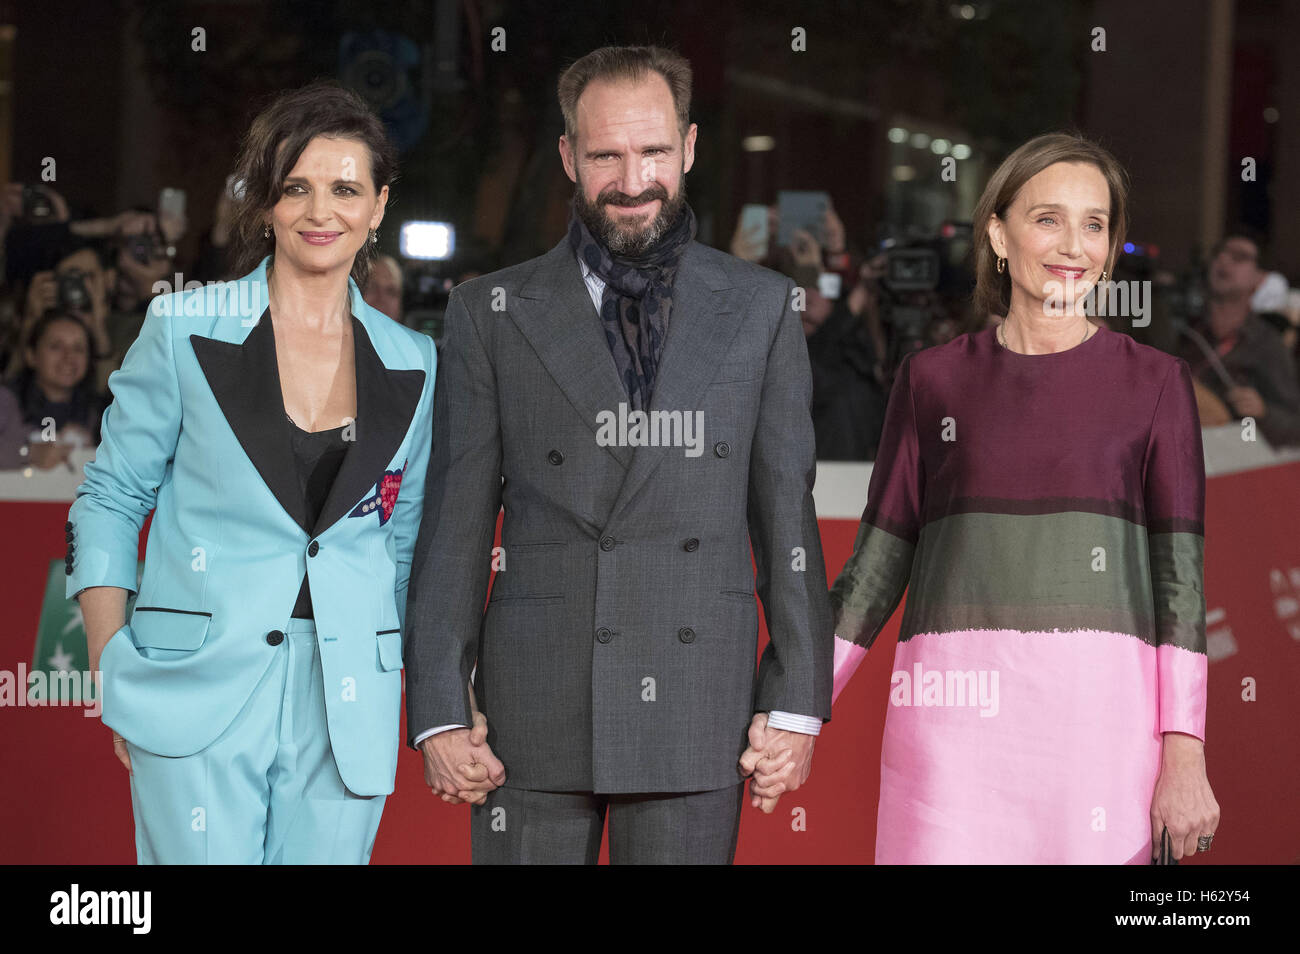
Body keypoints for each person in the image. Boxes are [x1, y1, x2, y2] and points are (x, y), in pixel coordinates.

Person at [402, 44, 832, 864]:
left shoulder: (764, 309)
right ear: (569, 156)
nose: (633, 180)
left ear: (691, 148)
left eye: (654, 152)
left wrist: (798, 702)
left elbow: (788, 519)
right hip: (529, 714)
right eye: (606, 155)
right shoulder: (488, 312)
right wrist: (439, 707)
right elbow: (456, 523)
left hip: (695, 705)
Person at [767, 132, 1219, 863]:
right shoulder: (933, 381)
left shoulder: (1157, 384)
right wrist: (797, 708)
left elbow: (1180, 584)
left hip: (1100, 742)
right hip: (949, 743)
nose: (1074, 244)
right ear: (998, 235)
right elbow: (875, 569)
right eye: (1047, 218)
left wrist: (1186, 755)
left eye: (1095, 223)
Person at [64, 80, 437, 864]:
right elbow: (110, 497)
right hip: (196, 684)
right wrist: (111, 662)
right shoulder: (182, 328)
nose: (319, 211)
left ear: (377, 206)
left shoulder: (415, 362)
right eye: (295, 188)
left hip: (345, 703)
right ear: (265, 203)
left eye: (345, 189)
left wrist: (419, 692)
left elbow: (404, 545)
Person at [1175, 227, 1300, 447]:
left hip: (1230, 457)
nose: (1224, 260)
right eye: (1219, 253)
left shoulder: (1267, 344)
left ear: (1258, 278)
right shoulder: (1185, 330)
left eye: (1239, 257)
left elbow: (1294, 427)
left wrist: (1264, 412)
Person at [0, 310, 105, 469]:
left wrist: (94, 452)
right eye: (56, 347)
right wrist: (28, 452)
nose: (69, 357)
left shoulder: (101, 412)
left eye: (78, 348)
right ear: (31, 355)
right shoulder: (5, 401)